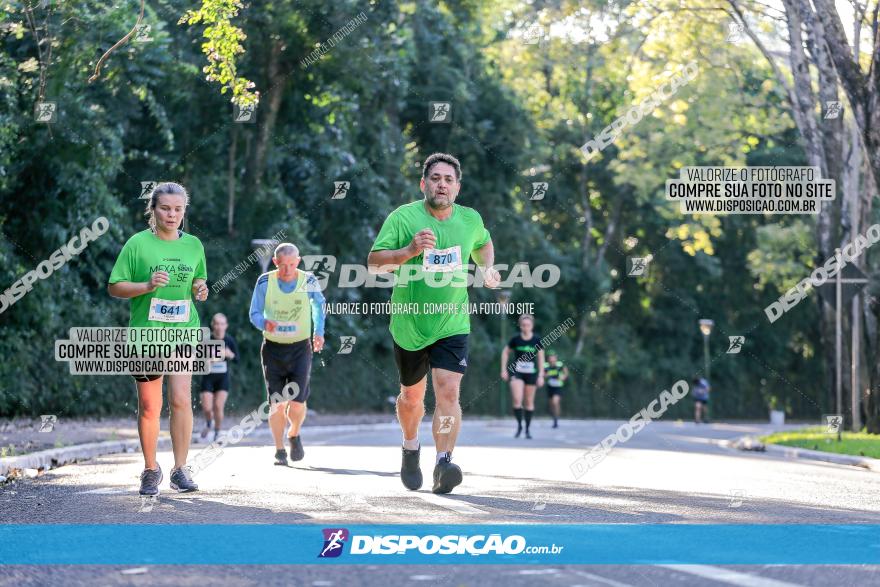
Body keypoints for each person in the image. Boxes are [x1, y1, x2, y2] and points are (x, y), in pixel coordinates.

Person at [367, 152, 500, 494]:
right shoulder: (403, 217)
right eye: (436, 178)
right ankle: (410, 447)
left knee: (449, 391)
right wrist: (409, 251)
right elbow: (373, 263)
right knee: (412, 397)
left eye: (449, 179)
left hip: (451, 323)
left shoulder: (470, 220)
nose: (442, 184)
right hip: (410, 324)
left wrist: (485, 268)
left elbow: (484, 244)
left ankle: (444, 462)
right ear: (423, 183)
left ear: (457, 187)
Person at [108, 182, 208, 496]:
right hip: (146, 335)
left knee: (180, 399)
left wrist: (200, 289)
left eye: (178, 209)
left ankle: (181, 469)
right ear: (153, 209)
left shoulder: (193, 245)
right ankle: (151, 469)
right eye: (165, 208)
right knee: (150, 406)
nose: (172, 214)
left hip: (182, 333)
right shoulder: (137, 244)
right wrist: (147, 285)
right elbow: (115, 287)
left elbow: (198, 279)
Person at [249, 243, 325, 466]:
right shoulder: (264, 281)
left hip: (301, 348)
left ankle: (294, 432)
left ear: (298, 262)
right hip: (273, 349)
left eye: (292, 265)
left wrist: (318, 332)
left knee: (298, 402)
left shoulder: (308, 280)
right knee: (277, 403)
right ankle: (279, 449)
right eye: (283, 265)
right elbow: (254, 312)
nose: (288, 270)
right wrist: (264, 322)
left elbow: (319, 304)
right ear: (275, 263)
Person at [501, 314, 544, 439]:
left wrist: (541, 375)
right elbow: (505, 352)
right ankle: (519, 425)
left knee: (529, 402)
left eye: (528, 325)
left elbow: (541, 357)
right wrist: (504, 369)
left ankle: (527, 429)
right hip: (517, 372)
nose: (526, 327)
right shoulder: (515, 339)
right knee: (517, 399)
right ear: (520, 326)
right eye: (523, 325)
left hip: (531, 373)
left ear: (532, 326)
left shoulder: (536, 340)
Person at [199, 313, 239, 443]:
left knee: (218, 406)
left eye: (222, 324)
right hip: (208, 378)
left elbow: (237, 359)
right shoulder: (206, 339)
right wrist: (207, 359)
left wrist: (229, 354)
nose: (219, 327)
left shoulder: (229, 341)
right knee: (207, 408)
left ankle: (217, 432)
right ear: (213, 325)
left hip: (222, 379)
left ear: (226, 326)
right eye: (217, 323)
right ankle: (209, 422)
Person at [544, 351, 569, 428]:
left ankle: (556, 420)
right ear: (548, 358)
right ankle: (554, 417)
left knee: (555, 402)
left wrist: (563, 377)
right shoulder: (545, 366)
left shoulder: (560, 365)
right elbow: (542, 374)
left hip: (558, 386)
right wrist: (546, 375)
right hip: (550, 386)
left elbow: (566, 373)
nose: (552, 359)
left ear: (556, 358)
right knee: (551, 404)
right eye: (550, 357)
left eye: (553, 357)